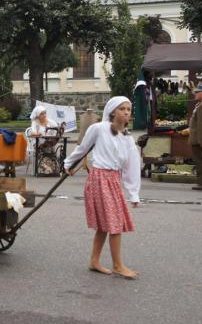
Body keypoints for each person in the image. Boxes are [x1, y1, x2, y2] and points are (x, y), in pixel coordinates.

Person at [64, 96, 141, 279]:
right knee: (114, 223)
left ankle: (94, 261)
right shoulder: (98, 129)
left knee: (106, 224)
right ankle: (118, 265)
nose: (126, 112)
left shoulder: (128, 138)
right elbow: (83, 148)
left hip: (114, 180)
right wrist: (68, 163)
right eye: (122, 109)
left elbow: (132, 166)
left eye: (128, 109)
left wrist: (134, 193)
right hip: (99, 178)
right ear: (113, 111)